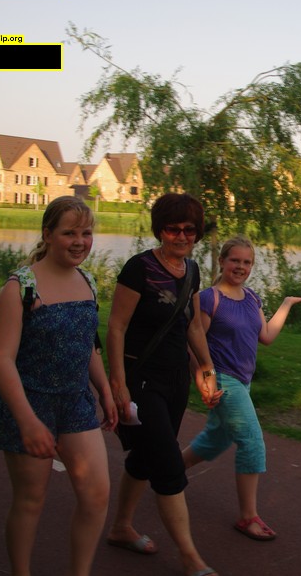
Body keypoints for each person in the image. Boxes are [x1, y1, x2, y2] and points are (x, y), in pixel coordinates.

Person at [0, 196, 116, 576]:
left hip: (76, 402)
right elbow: (1, 359)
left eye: (86, 233)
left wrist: (105, 390)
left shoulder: (88, 281)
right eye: (69, 233)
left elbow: (87, 344)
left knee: (96, 495)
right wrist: (28, 421)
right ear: (47, 234)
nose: (80, 242)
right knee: (31, 499)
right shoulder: (20, 288)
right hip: (30, 403)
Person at [105, 193, 221, 576]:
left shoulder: (192, 271)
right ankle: (190, 558)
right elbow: (116, 327)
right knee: (169, 466)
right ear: (160, 230)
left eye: (189, 230)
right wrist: (117, 382)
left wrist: (206, 369)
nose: (182, 236)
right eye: (173, 229)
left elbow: (193, 325)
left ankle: (120, 528)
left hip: (175, 380)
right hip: (141, 380)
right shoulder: (139, 269)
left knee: (144, 457)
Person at [184, 235, 301, 541]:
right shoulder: (209, 299)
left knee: (215, 440)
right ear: (222, 261)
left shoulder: (252, 298)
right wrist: (202, 377)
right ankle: (248, 517)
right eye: (235, 260)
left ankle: (167, 472)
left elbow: (266, 336)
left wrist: (286, 304)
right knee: (252, 442)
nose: (241, 267)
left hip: (244, 381)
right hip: (223, 381)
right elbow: (192, 343)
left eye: (247, 262)